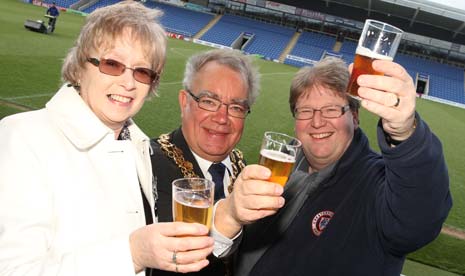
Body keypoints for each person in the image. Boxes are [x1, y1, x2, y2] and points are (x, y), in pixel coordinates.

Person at [0, 2, 216, 275]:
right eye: (112, 64)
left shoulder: (136, 144)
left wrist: (228, 217)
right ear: (80, 67)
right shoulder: (23, 138)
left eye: (142, 71)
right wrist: (133, 255)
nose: (128, 83)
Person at [216, 57, 452, 275]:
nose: (317, 122)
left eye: (331, 109)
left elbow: (415, 223)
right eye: (305, 111)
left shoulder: (376, 183)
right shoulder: (284, 163)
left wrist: (405, 133)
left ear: (355, 117)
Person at [150, 48, 260, 275]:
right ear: (184, 101)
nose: (222, 118)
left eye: (237, 108)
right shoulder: (148, 165)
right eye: (209, 101)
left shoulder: (241, 166)